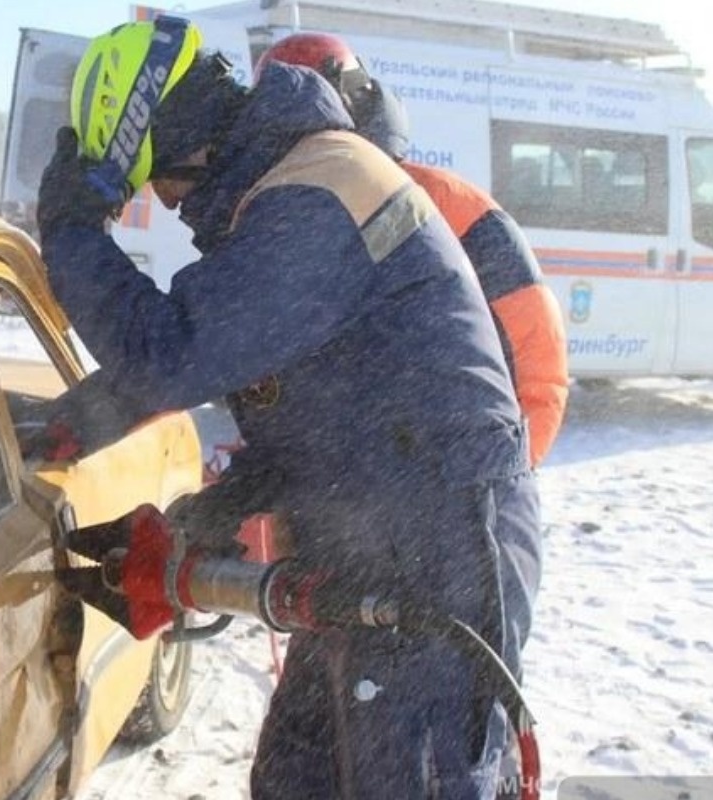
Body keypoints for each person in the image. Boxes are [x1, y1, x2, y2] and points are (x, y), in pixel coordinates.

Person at [36, 16, 541, 799]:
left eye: (157, 182)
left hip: (441, 542)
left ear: (186, 140)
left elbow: (169, 355)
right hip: (372, 527)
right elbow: (325, 408)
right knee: (295, 778)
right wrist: (221, 505)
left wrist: (72, 231)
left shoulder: (316, 192)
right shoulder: (285, 193)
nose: (167, 207)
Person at [255, 32, 569, 468]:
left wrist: (493, 475)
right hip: (352, 492)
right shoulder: (287, 219)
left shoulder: (452, 206)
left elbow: (536, 362)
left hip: (453, 487)